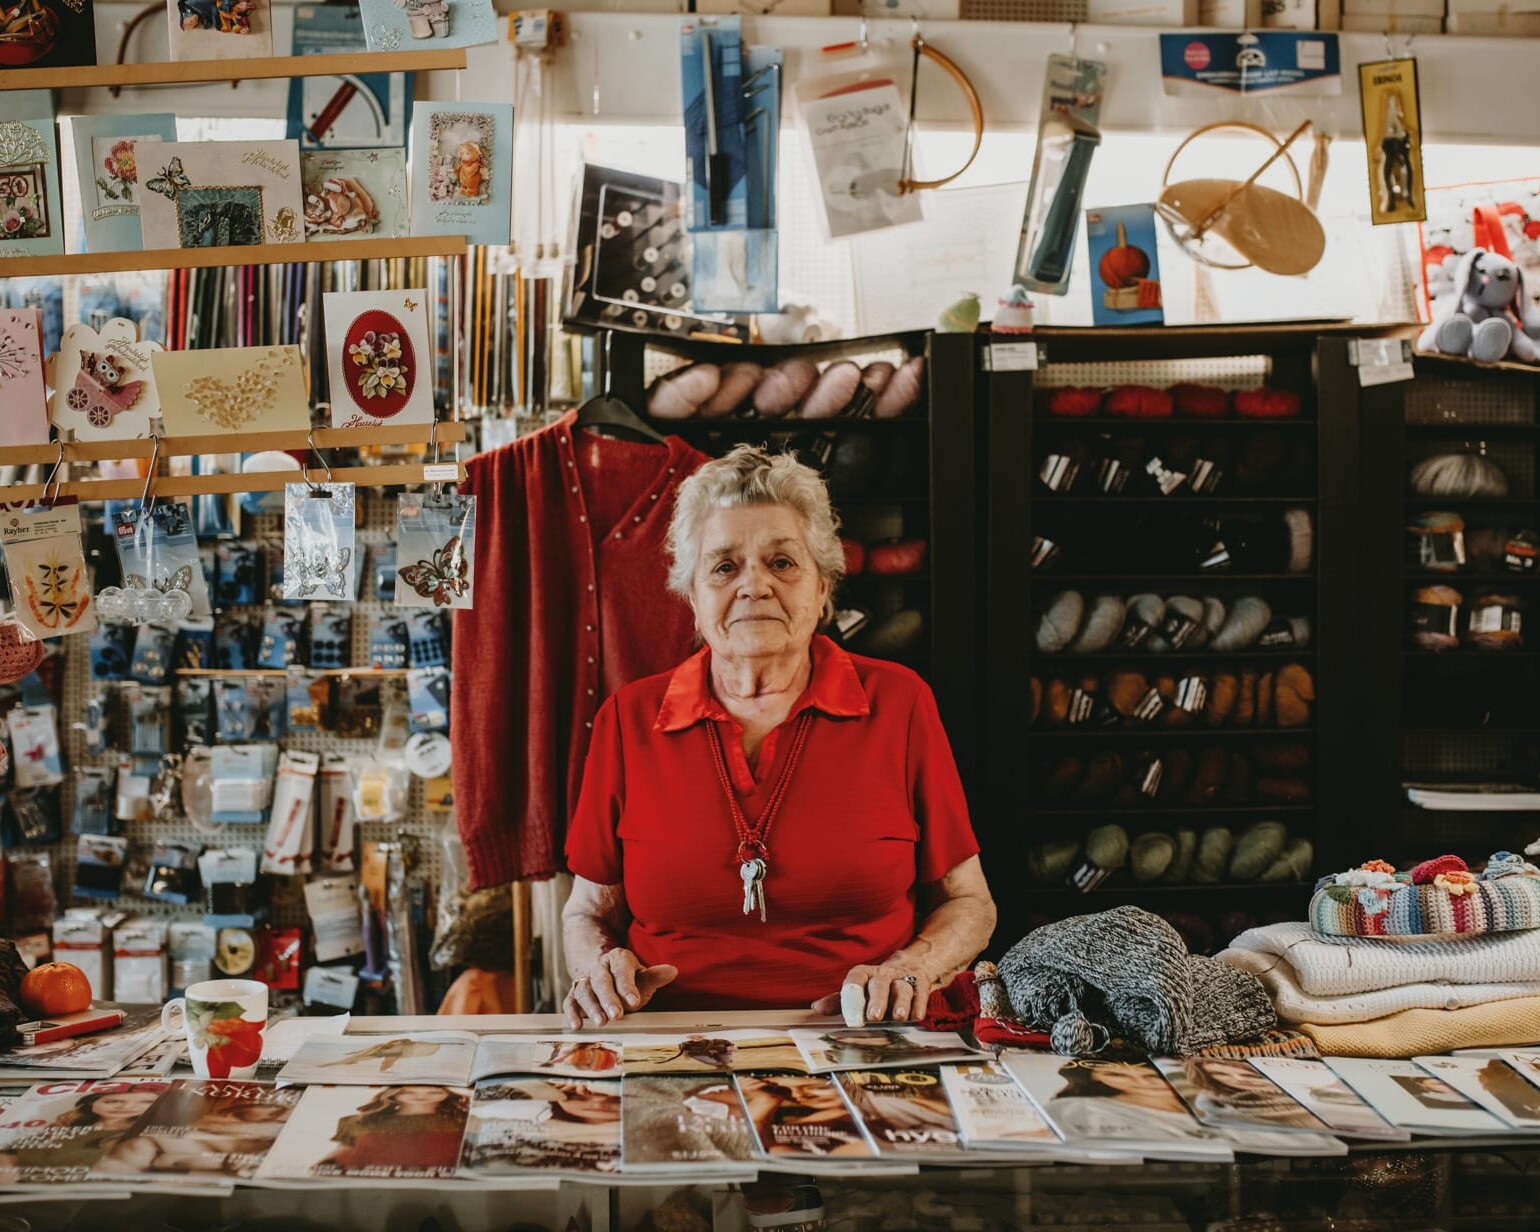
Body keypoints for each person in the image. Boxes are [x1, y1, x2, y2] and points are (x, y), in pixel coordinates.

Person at [563, 445, 995, 1025]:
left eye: (782, 563)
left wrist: (911, 968)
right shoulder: (628, 720)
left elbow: (970, 901)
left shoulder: (900, 704)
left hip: (859, 1036)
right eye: (724, 566)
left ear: (822, 590)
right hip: (671, 1037)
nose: (754, 586)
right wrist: (599, 965)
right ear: (692, 598)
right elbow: (587, 911)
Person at [323, 1086, 469, 1174]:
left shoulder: (463, 1120)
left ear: (449, 1094)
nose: (421, 1096)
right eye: (409, 1092)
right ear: (393, 1094)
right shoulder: (360, 1121)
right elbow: (342, 1152)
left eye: (434, 1092)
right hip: (369, 1181)